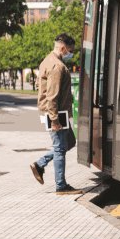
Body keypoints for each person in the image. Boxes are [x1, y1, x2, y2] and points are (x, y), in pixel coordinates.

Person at [29, 33, 81, 195]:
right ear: (63, 48)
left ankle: (40, 164)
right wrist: (54, 119)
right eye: (70, 50)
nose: (71, 54)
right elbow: (52, 96)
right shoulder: (57, 66)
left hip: (59, 112)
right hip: (56, 113)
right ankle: (61, 186)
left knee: (70, 142)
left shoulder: (48, 60)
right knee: (59, 149)